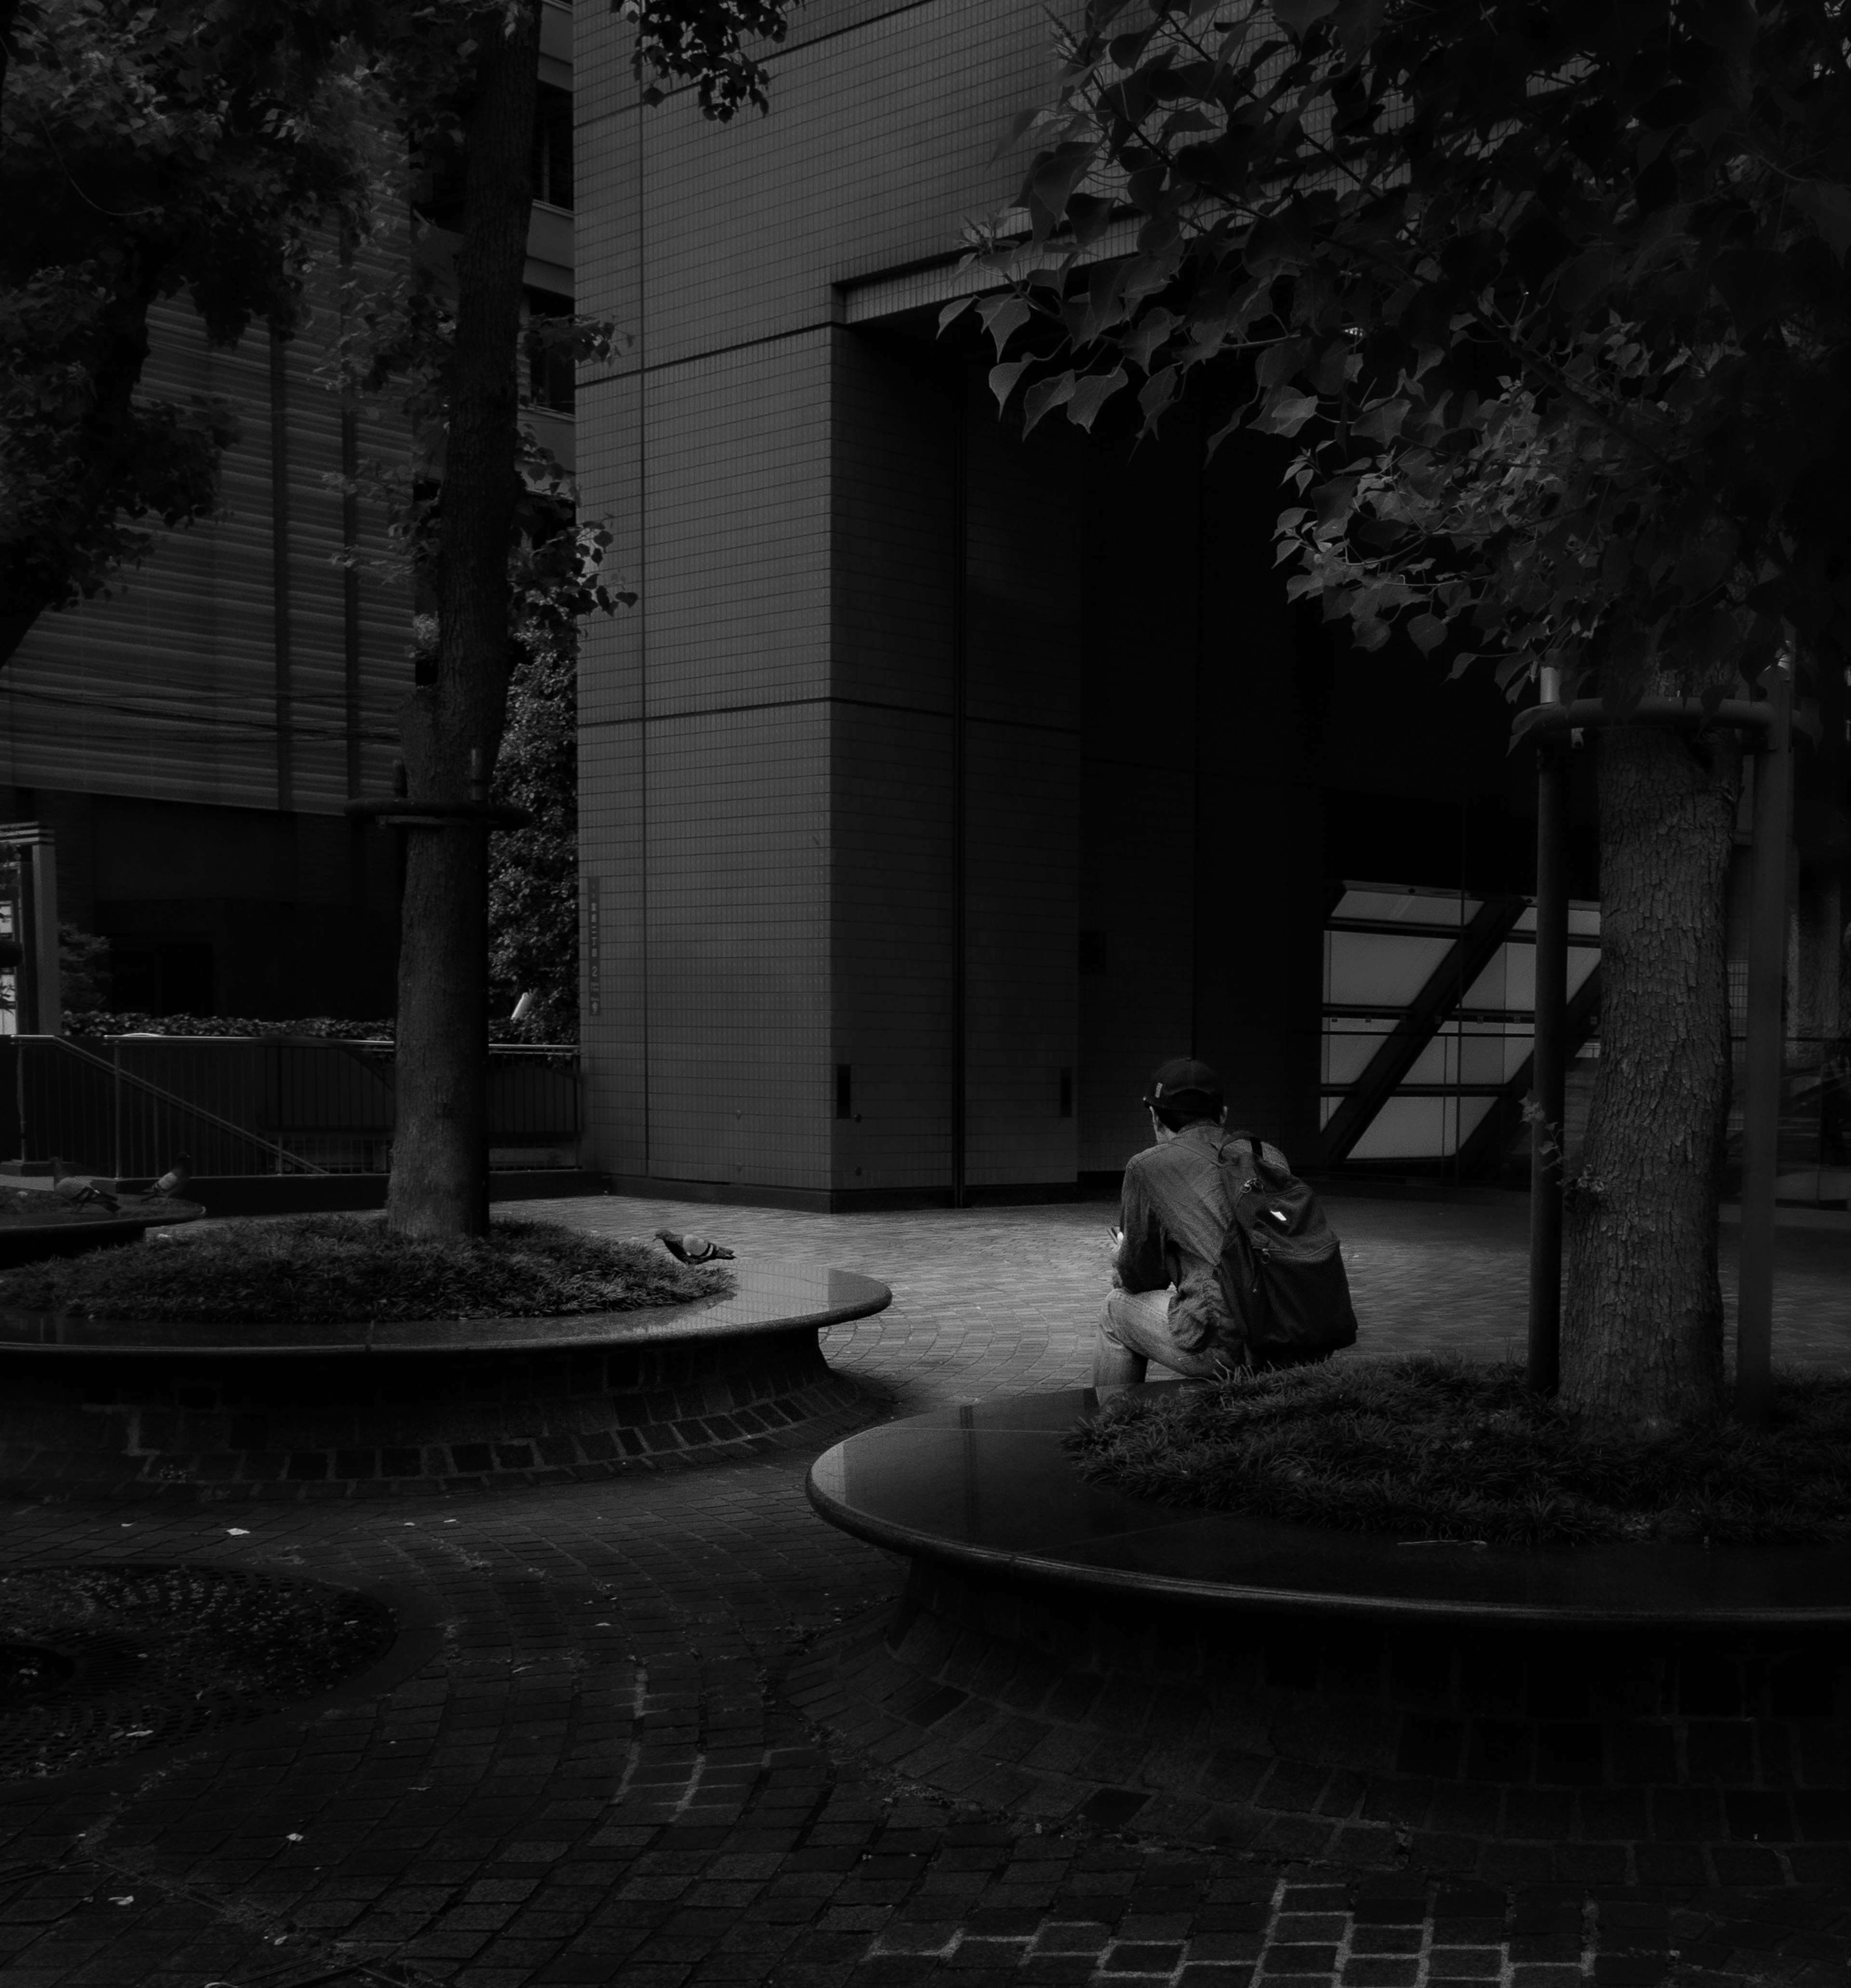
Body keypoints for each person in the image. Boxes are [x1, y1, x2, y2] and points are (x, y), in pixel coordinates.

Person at [1094, 1056, 1290, 1387]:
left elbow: (1139, 1278)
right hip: (1294, 1330)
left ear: (1155, 1117)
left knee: (1116, 1310)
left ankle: (1112, 1429)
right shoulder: (1269, 1156)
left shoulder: (1148, 1167)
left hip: (1229, 1344)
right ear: (1223, 1114)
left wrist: (1121, 1254)